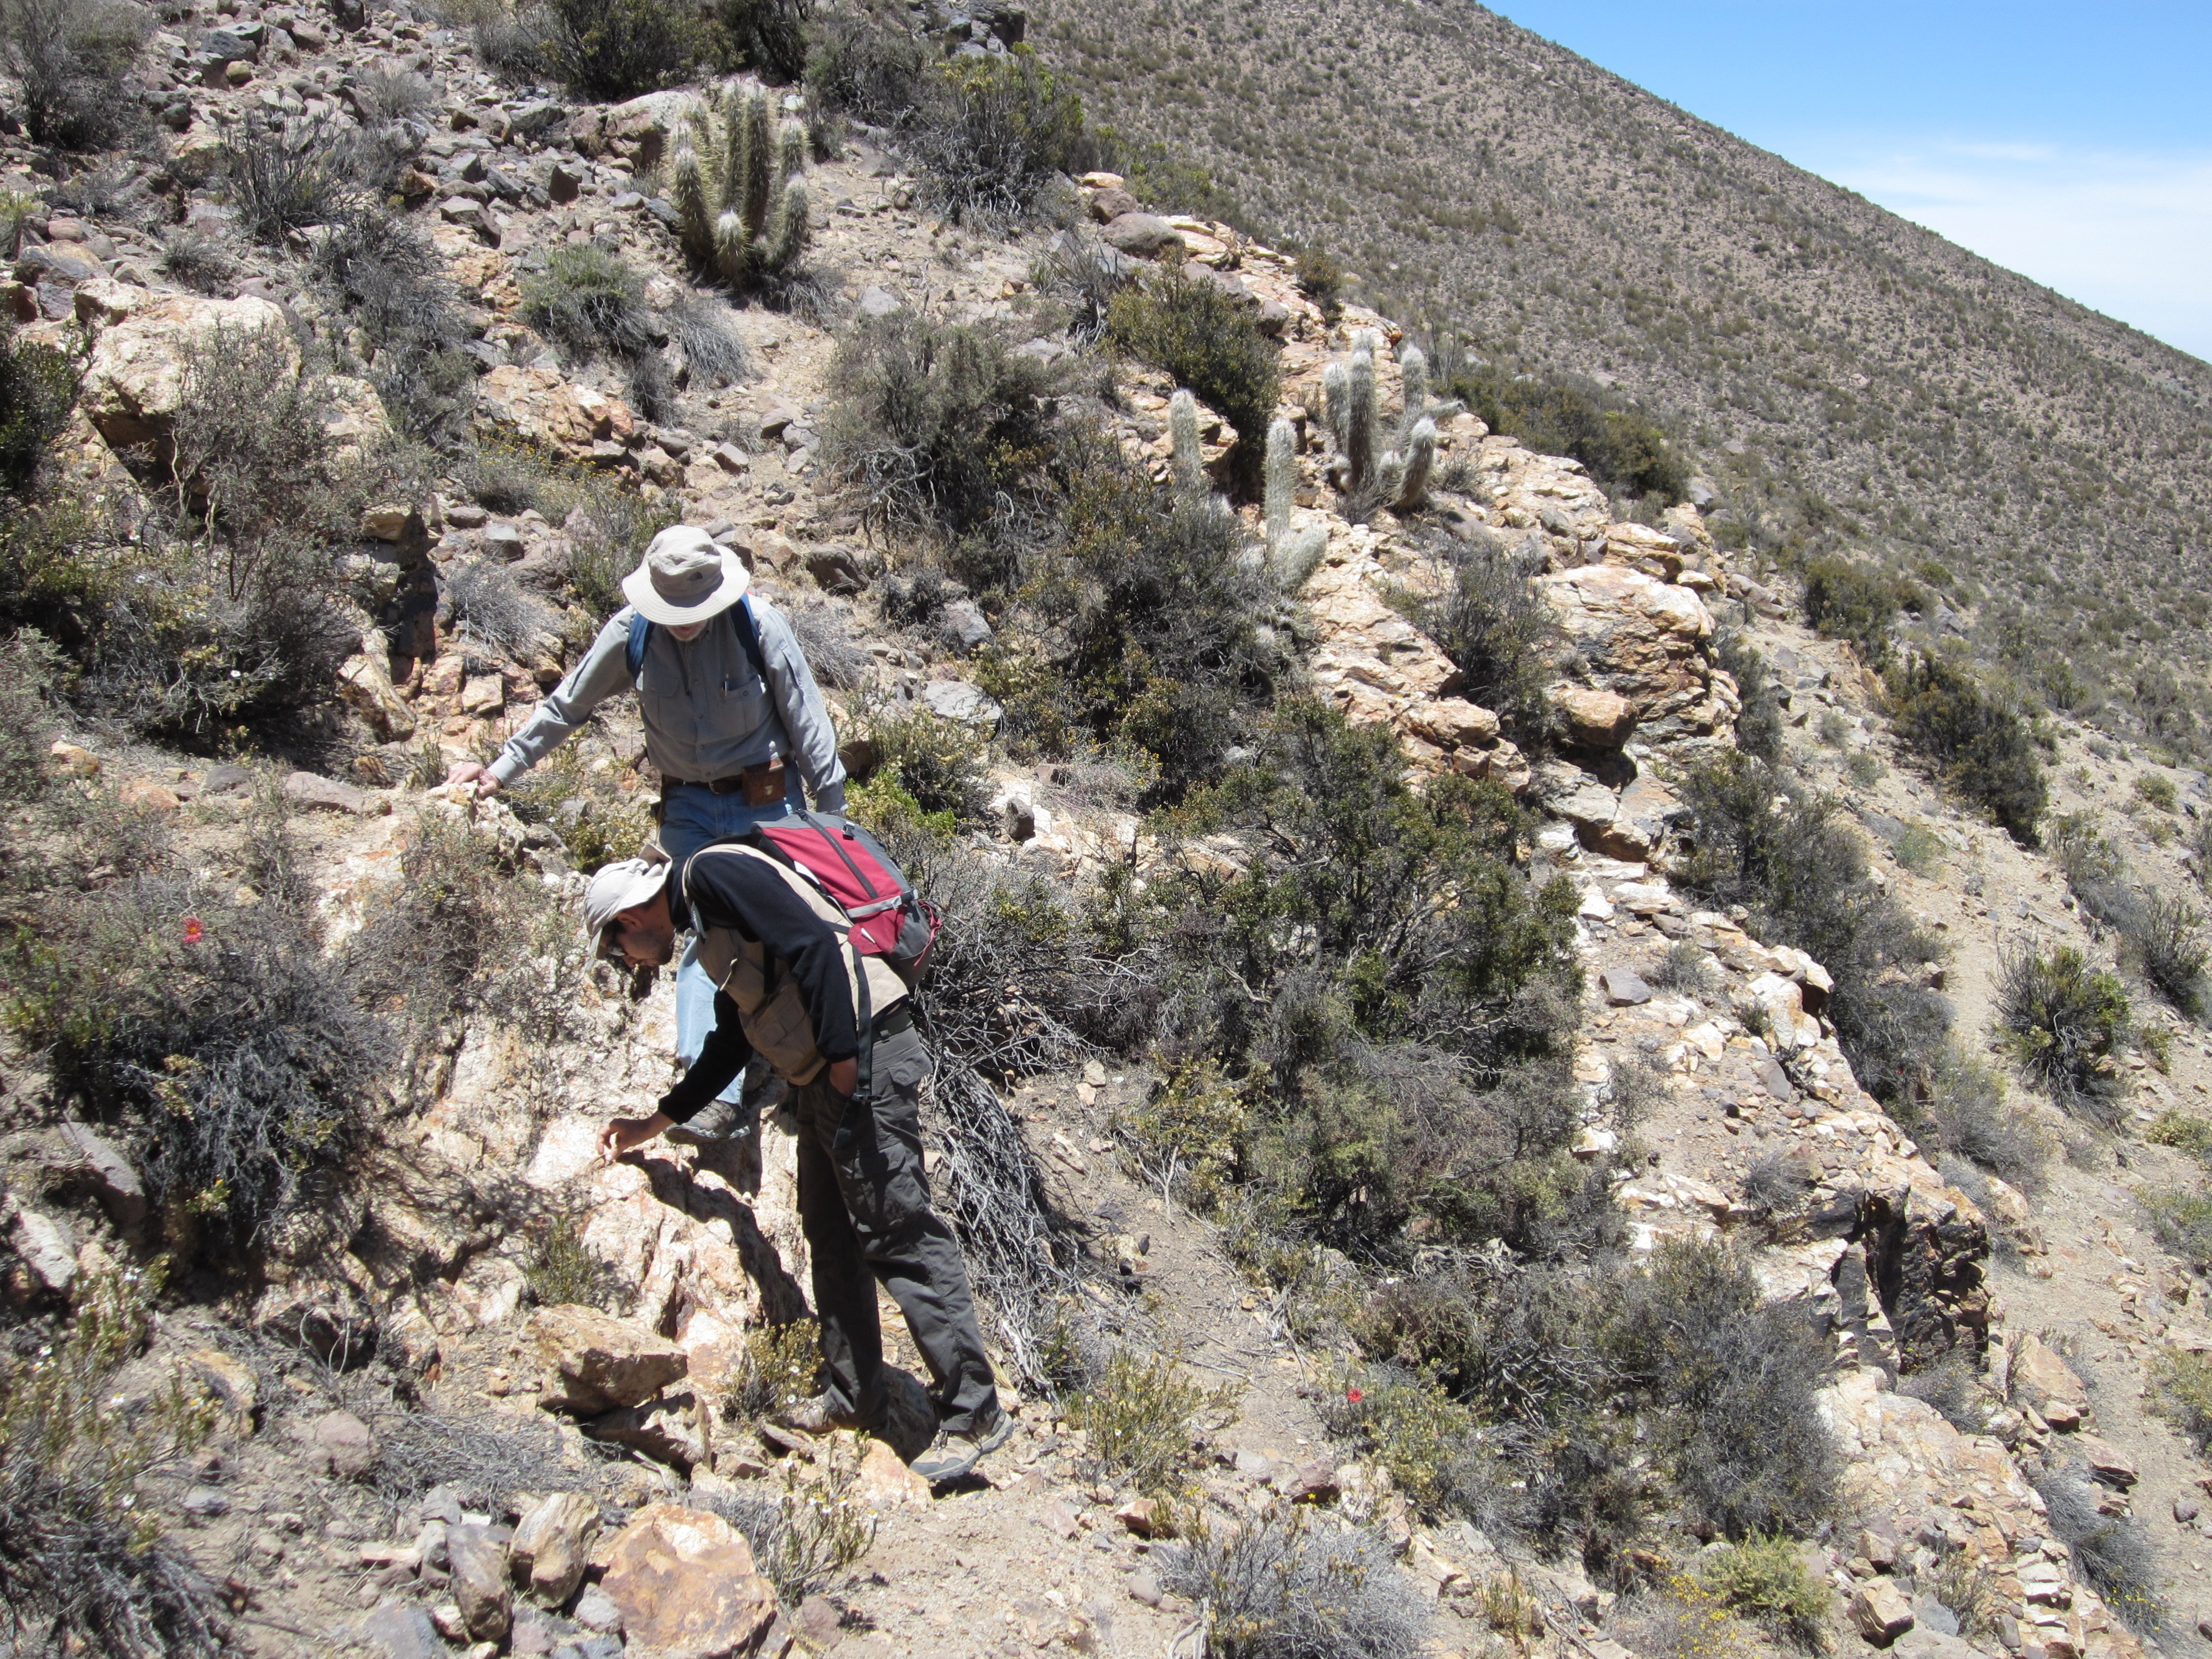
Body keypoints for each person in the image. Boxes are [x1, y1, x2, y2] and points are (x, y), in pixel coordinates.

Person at [582, 848, 1013, 1485]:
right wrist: (658, 1122)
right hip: (822, 1076)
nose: (627, 960)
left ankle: (974, 1411)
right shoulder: (706, 924)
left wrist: (844, 1068)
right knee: (830, 1234)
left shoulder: (710, 875)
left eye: (617, 946)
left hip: (861, 1058)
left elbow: (815, 944)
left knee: (897, 1232)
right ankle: (853, 1396)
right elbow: (731, 1039)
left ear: (629, 915)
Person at [446, 525, 847, 1139]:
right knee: (698, 933)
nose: (684, 622)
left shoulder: (756, 624)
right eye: (672, 611)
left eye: (695, 609)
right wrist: (500, 771)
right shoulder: (630, 633)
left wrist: (833, 817)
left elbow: (807, 717)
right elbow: (566, 707)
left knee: (792, 925)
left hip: (767, 798)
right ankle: (710, 1090)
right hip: (687, 804)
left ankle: (816, 1059)